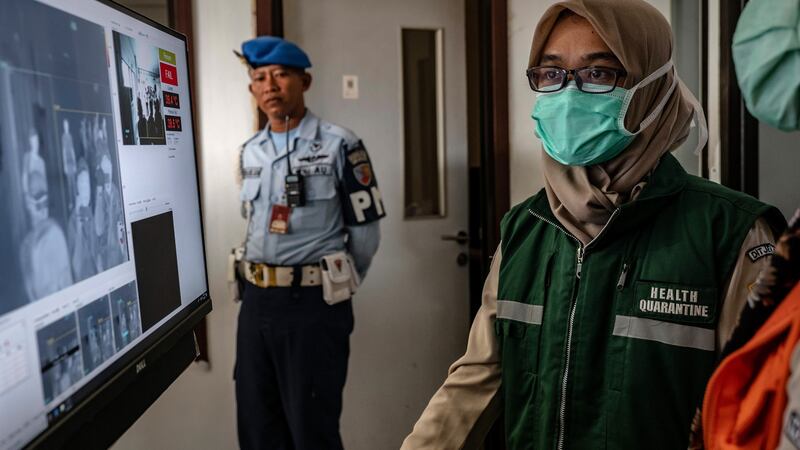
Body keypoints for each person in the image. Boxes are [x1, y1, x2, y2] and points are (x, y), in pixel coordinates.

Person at [402, 1, 786, 449]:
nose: (569, 95)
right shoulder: (527, 226)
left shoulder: (731, 232)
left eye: (599, 74)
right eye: (551, 74)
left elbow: (756, 411)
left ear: (652, 86)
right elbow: (479, 375)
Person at [232, 36, 385, 450]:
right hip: (256, 304)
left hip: (313, 308)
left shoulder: (341, 144)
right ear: (252, 89)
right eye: (259, 78)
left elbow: (366, 236)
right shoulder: (250, 152)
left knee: (311, 430)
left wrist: (333, 287)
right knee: (258, 427)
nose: (270, 86)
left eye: (281, 75)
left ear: (305, 81)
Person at [19, 129, 73, 302]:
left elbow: (43, 186)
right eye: (32, 140)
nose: (34, 143)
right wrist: (31, 197)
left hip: (39, 198)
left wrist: (41, 199)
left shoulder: (41, 161)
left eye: (36, 140)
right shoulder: (27, 159)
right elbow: (25, 181)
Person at [67, 158, 98, 282]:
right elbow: (76, 266)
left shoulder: (90, 212)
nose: (86, 191)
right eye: (82, 184)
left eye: (87, 184)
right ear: (77, 189)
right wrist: (80, 227)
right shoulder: (73, 221)